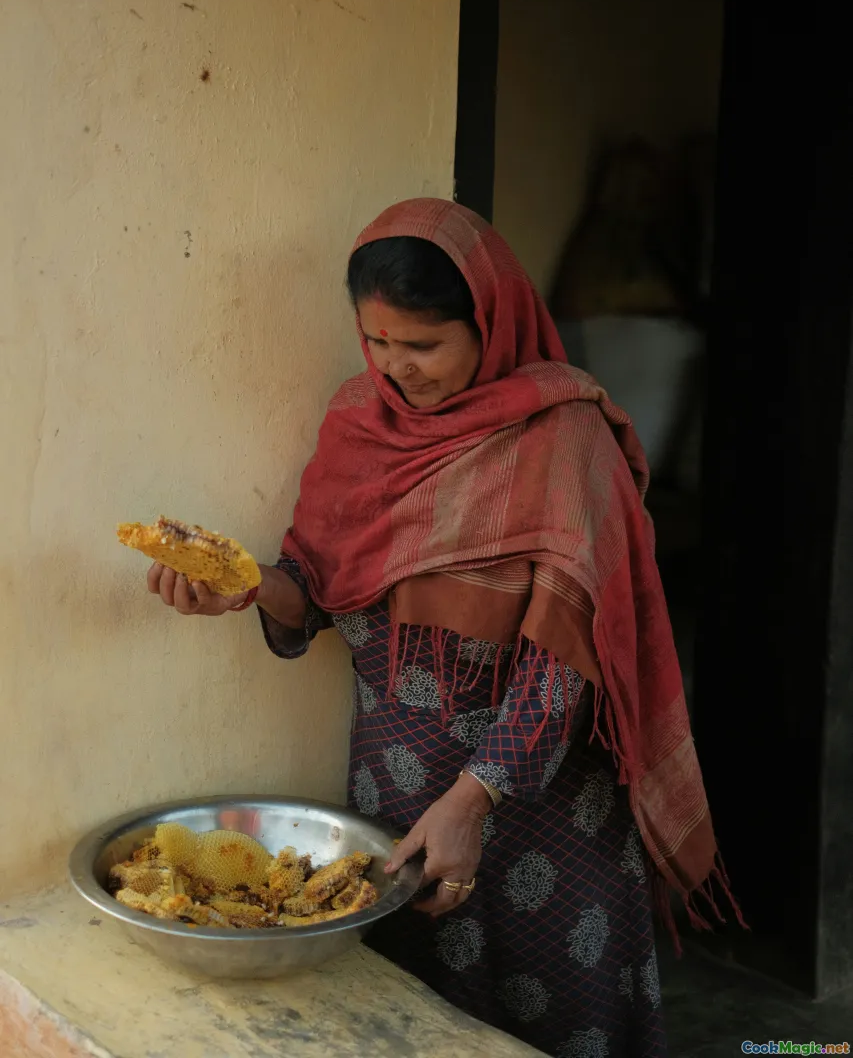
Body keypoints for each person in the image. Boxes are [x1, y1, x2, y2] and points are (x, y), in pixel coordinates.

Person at [147, 199, 737, 1058]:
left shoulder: (563, 438)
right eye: (378, 342)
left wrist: (473, 801)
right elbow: (313, 592)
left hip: (536, 807)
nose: (398, 369)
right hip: (392, 788)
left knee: (550, 1027)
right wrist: (243, 589)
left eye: (423, 346)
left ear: (489, 324)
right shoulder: (361, 420)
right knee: (417, 1020)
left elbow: (567, 660)